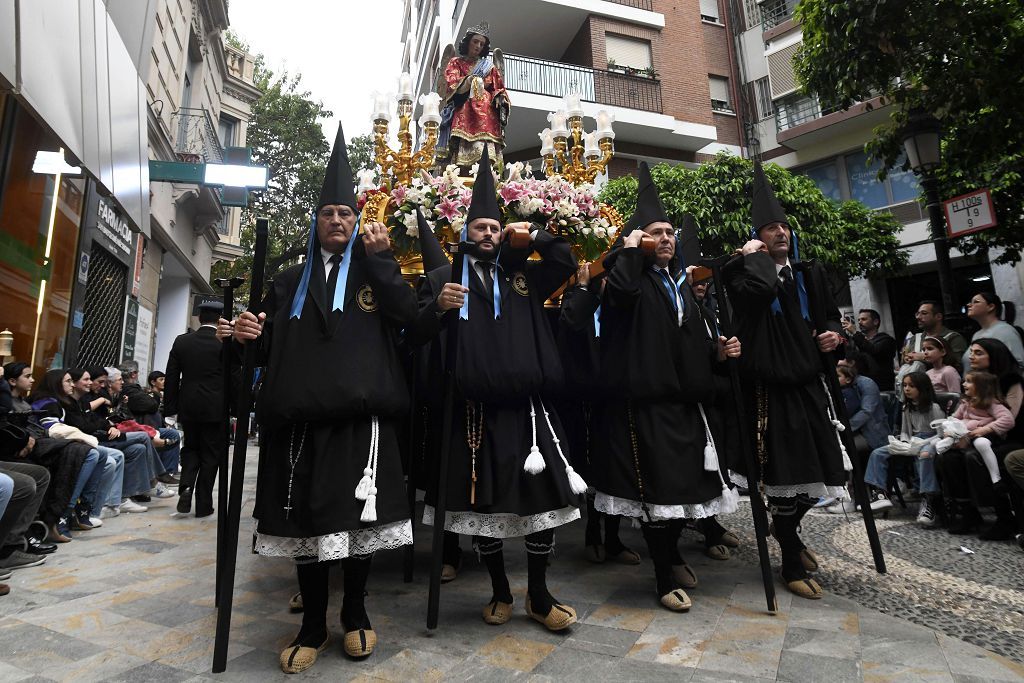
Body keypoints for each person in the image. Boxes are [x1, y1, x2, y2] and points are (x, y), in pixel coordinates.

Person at [231, 125, 416, 672]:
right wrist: (246, 335)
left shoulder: (374, 275)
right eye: (328, 212)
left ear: (358, 223)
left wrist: (383, 261)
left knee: (356, 528)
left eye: (347, 214)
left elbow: (410, 320)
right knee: (305, 526)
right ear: (315, 221)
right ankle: (312, 622)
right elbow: (265, 346)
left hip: (361, 422)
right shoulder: (288, 280)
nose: (338, 221)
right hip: (299, 425)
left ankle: (355, 614)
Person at [412, 147, 583, 631]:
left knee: (540, 507)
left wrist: (534, 233)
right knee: (481, 508)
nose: (487, 234)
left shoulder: (522, 275)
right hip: (472, 416)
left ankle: (540, 595)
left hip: (530, 415)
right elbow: (416, 337)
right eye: (479, 227)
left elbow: (565, 260)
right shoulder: (444, 278)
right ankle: (500, 591)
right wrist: (437, 308)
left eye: (494, 227)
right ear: (463, 233)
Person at [592, 166, 739, 612]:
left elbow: (686, 341)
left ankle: (673, 555)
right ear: (641, 239)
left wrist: (718, 352)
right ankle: (661, 577)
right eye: (657, 232)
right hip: (647, 405)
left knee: (685, 492)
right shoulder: (630, 278)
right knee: (656, 497)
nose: (667, 239)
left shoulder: (681, 287)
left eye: (670, 232)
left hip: (686, 403)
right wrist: (630, 250)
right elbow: (618, 297)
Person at [723, 160, 850, 600]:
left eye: (785, 227)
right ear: (759, 236)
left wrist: (835, 334)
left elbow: (827, 315)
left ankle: (786, 530)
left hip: (810, 385)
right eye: (771, 228)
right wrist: (753, 260)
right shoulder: (741, 275)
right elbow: (752, 302)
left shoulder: (808, 273)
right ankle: (791, 557)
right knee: (781, 475)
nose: (782, 233)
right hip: (768, 392)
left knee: (823, 472)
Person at [557, 263, 638, 567]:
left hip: (615, 399)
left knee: (615, 468)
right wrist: (581, 287)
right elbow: (571, 324)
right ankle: (593, 533)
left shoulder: (619, 305)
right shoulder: (576, 302)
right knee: (587, 469)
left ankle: (614, 538)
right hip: (582, 401)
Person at [164, 302, 229, 518]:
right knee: (211, 455)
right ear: (220, 319)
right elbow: (234, 376)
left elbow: (171, 376)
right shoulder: (224, 343)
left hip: (189, 405)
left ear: (200, 318)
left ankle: (186, 486)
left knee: (191, 448)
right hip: (215, 406)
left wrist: (170, 408)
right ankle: (203, 504)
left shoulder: (182, 341)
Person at [863, 372, 944, 524]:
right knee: (878, 453)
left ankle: (928, 500)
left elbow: (941, 433)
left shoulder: (934, 408)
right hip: (912, 440)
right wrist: (904, 442)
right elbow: (905, 431)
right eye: (905, 385)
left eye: (911, 386)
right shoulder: (907, 407)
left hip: (931, 441)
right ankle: (880, 493)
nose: (907, 389)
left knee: (925, 455)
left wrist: (920, 444)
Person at [436, 22, 509, 171]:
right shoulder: (456, 63)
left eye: (481, 44)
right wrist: (469, 80)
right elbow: (451, 85)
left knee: (487, 153)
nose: (478, 46)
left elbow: (498, 87)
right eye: (475, 41)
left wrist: (500, 98)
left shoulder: (489, 67)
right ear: (468, 41)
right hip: (465, 108)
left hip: (487, 112)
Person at [901, 300, 968, 373]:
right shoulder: (915, 338)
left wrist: (924, 357)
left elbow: (958, 366)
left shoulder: (953, 338)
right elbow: (906, 362)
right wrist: (907, 359)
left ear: (938, 316)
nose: (918, 317)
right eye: (917, 313)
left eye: (924, 313)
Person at [963, 292, 1024, 370]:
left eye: (976, 302)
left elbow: (1019, 364)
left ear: (991, 307)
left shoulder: (1005, 331)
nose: (969, 305)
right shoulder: (976, 335)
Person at [842, 309, 897, 390]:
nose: (860, 322)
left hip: (880, 388)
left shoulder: (886, 340)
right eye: (859, 320)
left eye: (864, 319)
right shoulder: (858, 341)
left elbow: (873, 350)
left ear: (875, 322)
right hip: (860, 387)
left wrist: (854, 333)